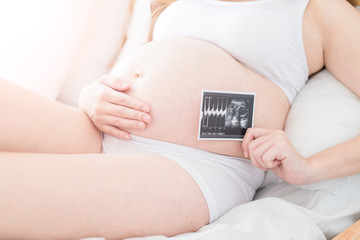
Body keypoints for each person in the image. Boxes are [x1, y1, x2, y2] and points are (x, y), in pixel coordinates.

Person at [0, 0, 359, 239]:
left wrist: (310, 167)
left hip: (190, 167)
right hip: (103, 130)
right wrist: (93, 95)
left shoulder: (320, 9)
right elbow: (148, 65)